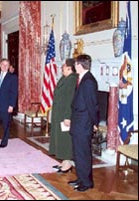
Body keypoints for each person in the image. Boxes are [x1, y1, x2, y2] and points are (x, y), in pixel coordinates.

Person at [68, 54, 99, 192]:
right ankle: (81, 178)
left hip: (84, 123)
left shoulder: (88, 81)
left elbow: (93, 105)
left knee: (83, 153)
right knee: (77, 153)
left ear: (80, 65)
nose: (74, 66)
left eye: (75, 64)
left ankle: (87, 182)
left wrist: (95, 123)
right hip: (78, 122)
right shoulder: (82, 79)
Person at [48, 58, 78, 173]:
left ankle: (68, 163)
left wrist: (67, 117)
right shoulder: (64, 78)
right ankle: (64, 161)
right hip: (58, 113)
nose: (62, 68)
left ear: (69, 68)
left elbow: (70, 100)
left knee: (65, 139)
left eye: (64, 66)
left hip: (65, 114)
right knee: (60, 137)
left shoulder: (72, 80)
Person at [0, 59, 18, 148]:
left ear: (9, 66)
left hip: (6, 105)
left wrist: (12, 105)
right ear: (0, 65)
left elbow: (14, 92)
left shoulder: (13, 77)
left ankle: (4, 142)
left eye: (7, 65)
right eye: (3, 64)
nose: (4, 66)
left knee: (6, 124)